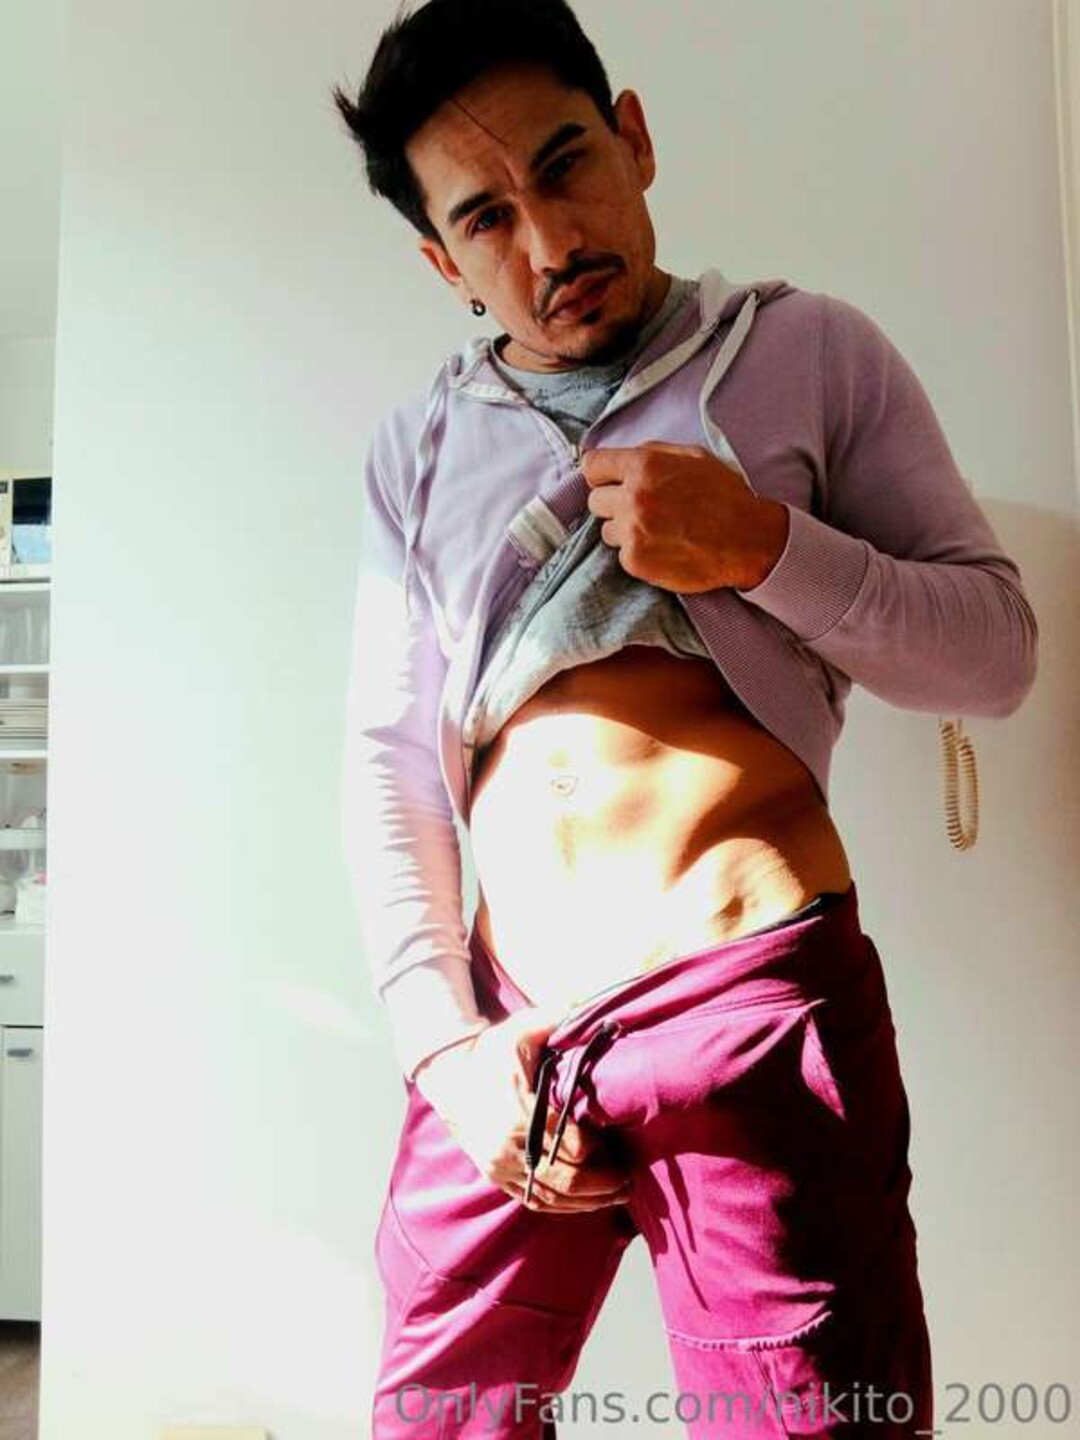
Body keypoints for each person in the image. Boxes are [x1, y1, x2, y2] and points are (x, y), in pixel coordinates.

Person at [333, 1, 1039, 1434]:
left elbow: (995, 655)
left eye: (567, 166)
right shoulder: (418, 450)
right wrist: (441, 1047)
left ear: (635, 138)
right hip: (511, 1034)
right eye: (486, 218)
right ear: (441, 260)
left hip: (750, 1000)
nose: (550, 243)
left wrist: (764, 546)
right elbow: (389, 768)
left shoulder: (810, 351)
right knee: (436, 1419)